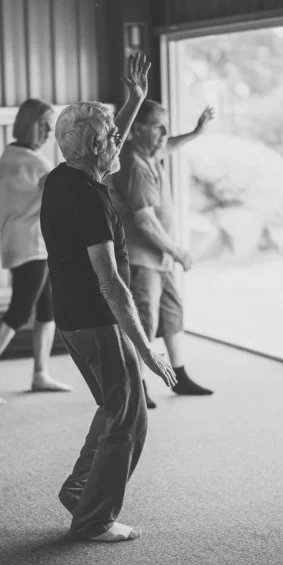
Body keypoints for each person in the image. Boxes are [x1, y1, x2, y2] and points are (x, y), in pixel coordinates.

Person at [40, 53, 177, 543]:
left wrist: (134, 100)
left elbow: (99, 143)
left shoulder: (65, 177)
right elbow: (111, 282)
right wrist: (146, 349)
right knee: (129, 418)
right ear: (97, 146)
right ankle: (95, 517)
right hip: (99, 320)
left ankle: (81, 490)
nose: (120, 138)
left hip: (72, 320)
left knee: (112, 406)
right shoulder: (91, 199)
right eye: (113, 135)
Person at [107, 99, 215, 409]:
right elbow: (146, 222)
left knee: (171, 313)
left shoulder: (150, 152)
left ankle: (178, 376)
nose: (165, 134)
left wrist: (196, 132)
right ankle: (136, 385)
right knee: (143, 322)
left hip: (159, 257)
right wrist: (178, 250)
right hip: (144, 258)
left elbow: (169, 145)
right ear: (138, 130)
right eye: (159, 127)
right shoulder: (135, 164)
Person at [0, 98, 72, 405]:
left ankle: (40, 373)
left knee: (47, 309)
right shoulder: (36, 162)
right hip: (32, 244)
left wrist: (9, 222)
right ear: (30, 124)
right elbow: (63, 192)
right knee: (20, 310)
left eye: (50, 125)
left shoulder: (9, 155)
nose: (48, 131)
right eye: (44, 125)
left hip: (22, 240)